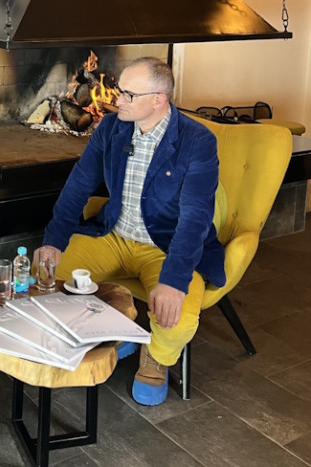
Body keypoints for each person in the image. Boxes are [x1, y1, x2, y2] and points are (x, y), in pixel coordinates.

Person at [35, 57, 225, 406]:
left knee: (178, 319)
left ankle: (155, 355)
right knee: (47, 277)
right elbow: (78, 185)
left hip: (165, 248)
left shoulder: (197, 141)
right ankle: (111, 333)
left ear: (158, 99)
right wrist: (54, 241)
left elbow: (196, 217)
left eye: (127, 94)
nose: (115, 99)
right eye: (118, 90)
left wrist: (174, 280)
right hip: (114, 236)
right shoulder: (111, 128)